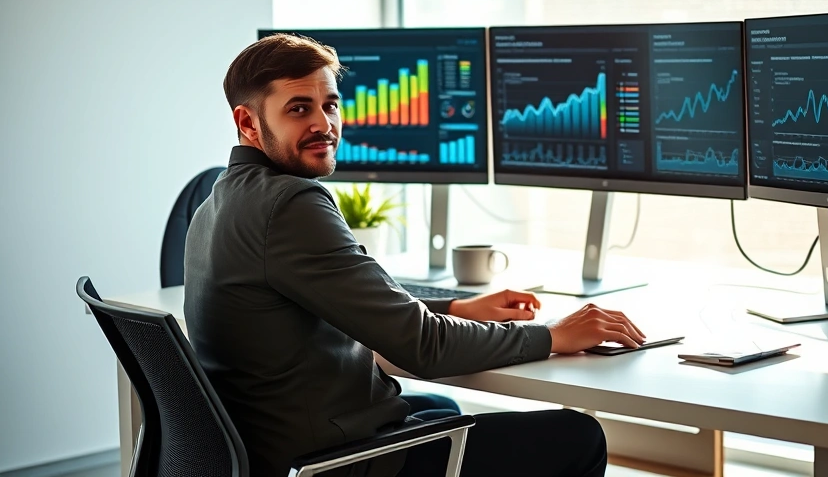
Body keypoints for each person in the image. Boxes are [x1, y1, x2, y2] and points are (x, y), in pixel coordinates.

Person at [183, 33, 647, 477]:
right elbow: (424, 347)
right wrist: (554, 335)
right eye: (299, 109)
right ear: (248, 122)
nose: (324, 124)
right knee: (579, 436)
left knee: (441, 408)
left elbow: (350, 297)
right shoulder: (290, 204)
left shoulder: (219, 201)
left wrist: (456, 307)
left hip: (276, 451)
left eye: (331, 105)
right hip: (334, 464)